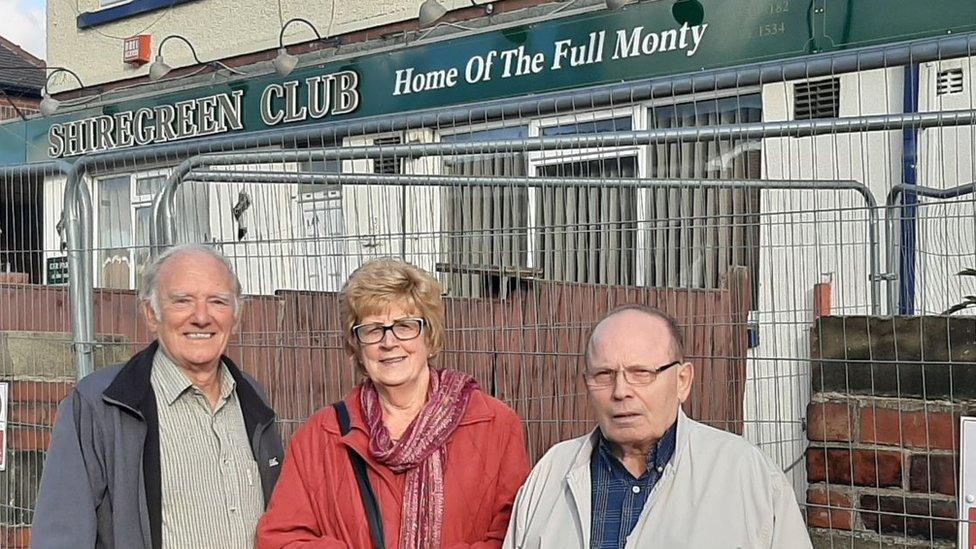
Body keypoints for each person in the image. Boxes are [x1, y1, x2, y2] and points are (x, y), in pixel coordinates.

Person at [258, 258, 529, 549]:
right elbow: (281, 539)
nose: (389, 342)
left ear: (430, 335)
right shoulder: (320, 436)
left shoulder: (493, 424)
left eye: (404, 325)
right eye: (373, 329)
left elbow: (513, 535)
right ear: (357, 347)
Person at [32, 244, 283, 549]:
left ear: (236, 315)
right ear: (151, 314)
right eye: (182, 301)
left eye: (217, 301)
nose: (201, 317)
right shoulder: (100, 406)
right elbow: (60, 536)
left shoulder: (253, 400)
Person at [503, 304, 812, 549]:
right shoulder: (551, 473)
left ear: (682, 381)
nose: (620, 390)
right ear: (586, 384)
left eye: (641, 372)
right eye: (604, 374)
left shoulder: (745, 475)